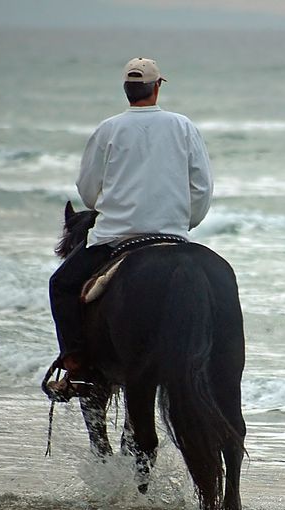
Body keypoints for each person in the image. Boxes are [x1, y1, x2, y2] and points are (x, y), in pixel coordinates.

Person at [45, 57, 213, 400]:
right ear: (157, 87)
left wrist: (110, 205)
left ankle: (78, 367)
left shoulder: (108, 128)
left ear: (126, 90)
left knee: (61, 284)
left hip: (114, 237)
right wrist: (184, 223)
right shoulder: (183, 126)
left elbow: (88, 189)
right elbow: (202, 187)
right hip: (172, 235)